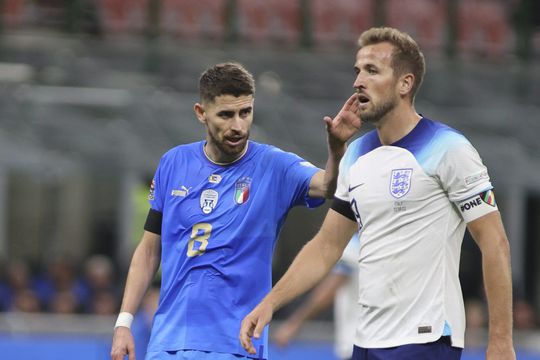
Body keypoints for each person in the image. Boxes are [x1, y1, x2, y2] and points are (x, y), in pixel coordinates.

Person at [240, 27, 515, 360]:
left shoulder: (450, 149)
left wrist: (500, 341)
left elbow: (494, 241)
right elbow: (327, 246)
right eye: (357, 70)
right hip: (366, 341)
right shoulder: (355, 154)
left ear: (405, 83)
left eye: (372, 70)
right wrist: (270, 303)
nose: (358, 81)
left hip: (426, 339)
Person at [110, 62, 361, 360]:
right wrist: (123, 322)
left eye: (246, 113)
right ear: (201, 113)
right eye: (226, 115)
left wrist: (336, 149)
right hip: (168, 344)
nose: (238, 126)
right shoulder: (173, 163)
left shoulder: (274, 166)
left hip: (237, 345)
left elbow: (328, 186)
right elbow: (149, 251)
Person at [273, 234, 359, 360]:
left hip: (356, 342)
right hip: (381, 341)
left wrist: (293, 324)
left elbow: (328, 291)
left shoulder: (354, 245)